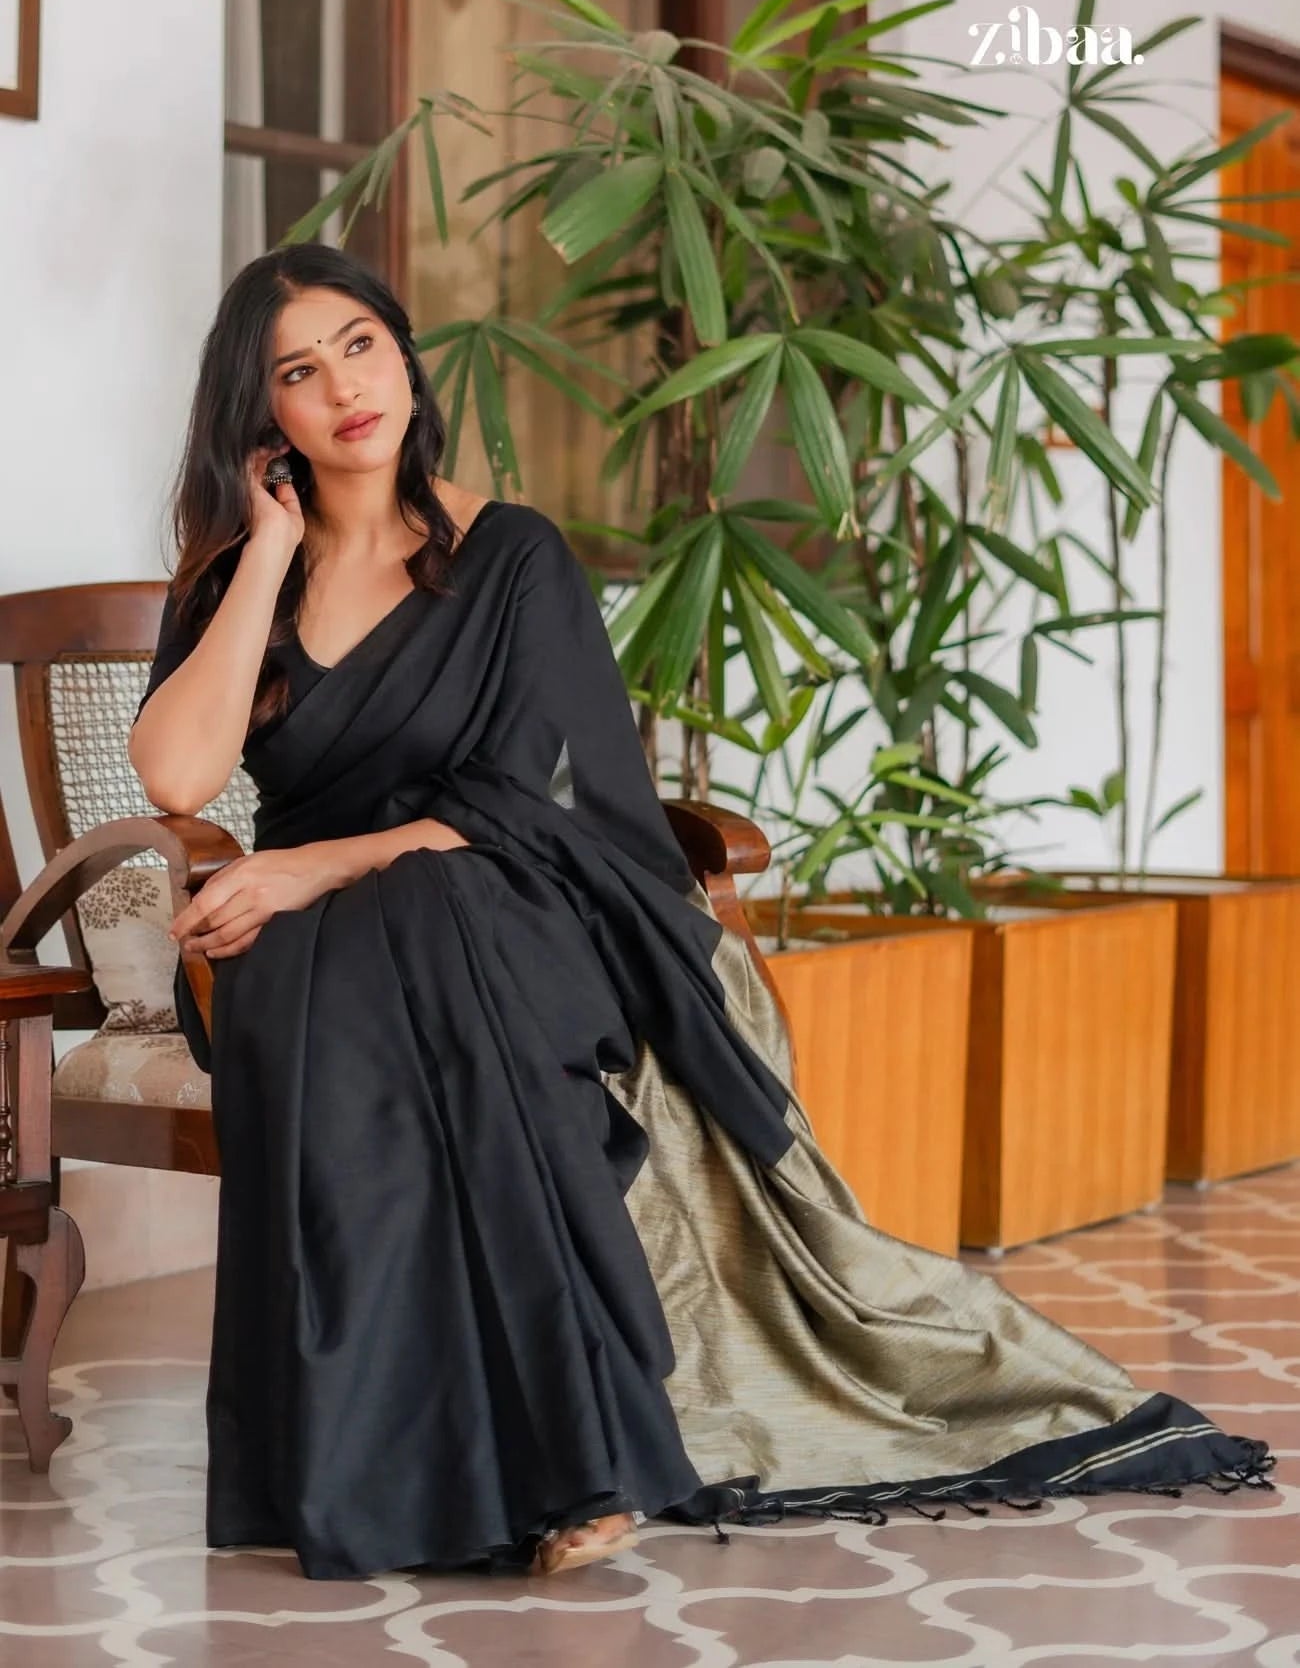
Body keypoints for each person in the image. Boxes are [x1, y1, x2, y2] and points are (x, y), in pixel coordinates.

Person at [129, 243, 1273, 1584]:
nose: (343, 390)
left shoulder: (510, 556)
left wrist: (315, 865)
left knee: (432, 910)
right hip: (309, 949)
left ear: (406, 351)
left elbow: (510, 799)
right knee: (392, 957)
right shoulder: (232, 582)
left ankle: (538, 1460)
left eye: (361, 346)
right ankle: (549, 1456)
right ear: (264, 414)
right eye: (299, 373)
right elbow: (175, 775)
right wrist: (267, 552)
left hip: (498, 894)